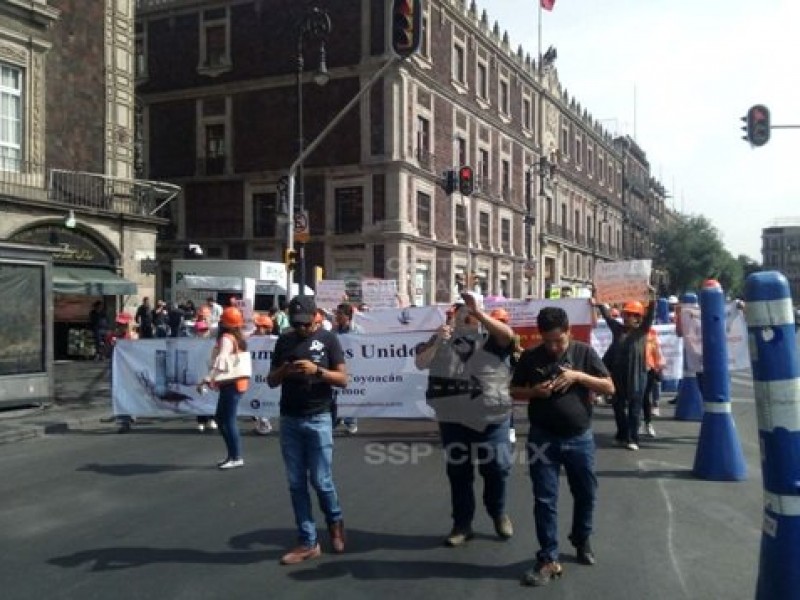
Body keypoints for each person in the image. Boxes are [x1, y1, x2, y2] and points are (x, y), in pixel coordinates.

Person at [510, 306, 614, 587]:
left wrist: (578, 377)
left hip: (579, 437)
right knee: (544, 499)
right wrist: (533, 392)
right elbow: (513, 389)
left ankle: (581, 538)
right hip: (543, 437)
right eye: (548, 341)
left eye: (559, 341)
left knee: (586, 492)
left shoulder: (584, 353)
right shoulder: (531, 357)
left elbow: (609, 387)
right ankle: (548, 558)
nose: (554, 347)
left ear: (569, 332)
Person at [414, 291, 516, 547]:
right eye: (461, 312)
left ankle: (498, 511)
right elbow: (420, 363)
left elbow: (508, 336)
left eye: (470, 313)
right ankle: (462, 524)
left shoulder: (492, 339)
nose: (464, 317)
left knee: (497, 469)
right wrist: (438, 341)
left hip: (491, 418)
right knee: (458, 473)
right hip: (453, 420)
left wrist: (479, 312)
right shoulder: (441, 339)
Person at [267, 295, 348, 565]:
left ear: (316, 317)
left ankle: (335, 522)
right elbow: (270, 381)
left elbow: (343, 379)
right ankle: (308, 541)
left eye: (305, 323)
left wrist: (317, 371)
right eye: (295, 323)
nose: (300, 328)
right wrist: (284, 370)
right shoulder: (284, 340)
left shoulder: (328, 339)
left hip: (319, 417)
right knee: (295, 483)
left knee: (322, 481)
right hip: (289, 418)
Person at [597, 291, 656, 451]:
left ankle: (632, 438)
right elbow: (608, 317)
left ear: (638, 317)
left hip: (637, 376)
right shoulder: (618, 329)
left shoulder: (642, 331)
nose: (627, 317)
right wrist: (599, 299)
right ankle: (622, 435)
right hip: (618, 376)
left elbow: (650, 314)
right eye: (626, 314)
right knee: (617, 407)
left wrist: (652, 298)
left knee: (635, 409)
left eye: (631, 314)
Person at [196, 306, 250, 469]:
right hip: (235, 383)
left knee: (227, 419)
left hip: (232, 383)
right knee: (223, 418)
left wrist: (209, 377)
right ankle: (233, 455)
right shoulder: (237, 337)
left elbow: (222, 358)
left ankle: (235, 456)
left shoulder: (226, 338)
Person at [489, 306, 521, 444]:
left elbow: (516, 356)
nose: (500, 323)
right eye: (497, 320)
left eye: (502, 320)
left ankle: (510, 428)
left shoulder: (512, 337)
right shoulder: (485, 337)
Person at [332, 302, 363, 435]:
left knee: (350, 394)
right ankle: (335, 419)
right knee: (334, 395)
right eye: (336, 313)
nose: (337, 316)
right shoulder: (333, 332)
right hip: (337, 367)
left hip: (353, 367)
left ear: (348, 316)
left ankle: (351, 421)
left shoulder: (358, 331)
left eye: (340, 314)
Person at [251, 312, 274, 435]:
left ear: (269, 328)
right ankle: (261, 421)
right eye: (258, 326)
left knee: (268, 397)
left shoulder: (275, 341)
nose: (259, 329)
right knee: (256, 397)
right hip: (255, 374)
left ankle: (264, 420)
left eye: (263, 327)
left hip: (269, 374)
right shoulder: (251, 340)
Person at [193, 319, 217, 433]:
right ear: (196, 331)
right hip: (198, 373)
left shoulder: (213, 343)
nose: (203, 332)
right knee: (200, 398)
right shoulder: (192, 344)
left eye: (205, 330)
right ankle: (201, 421)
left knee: (211, 397)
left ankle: (212, 419)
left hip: (210, 373)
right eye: (201, 330)